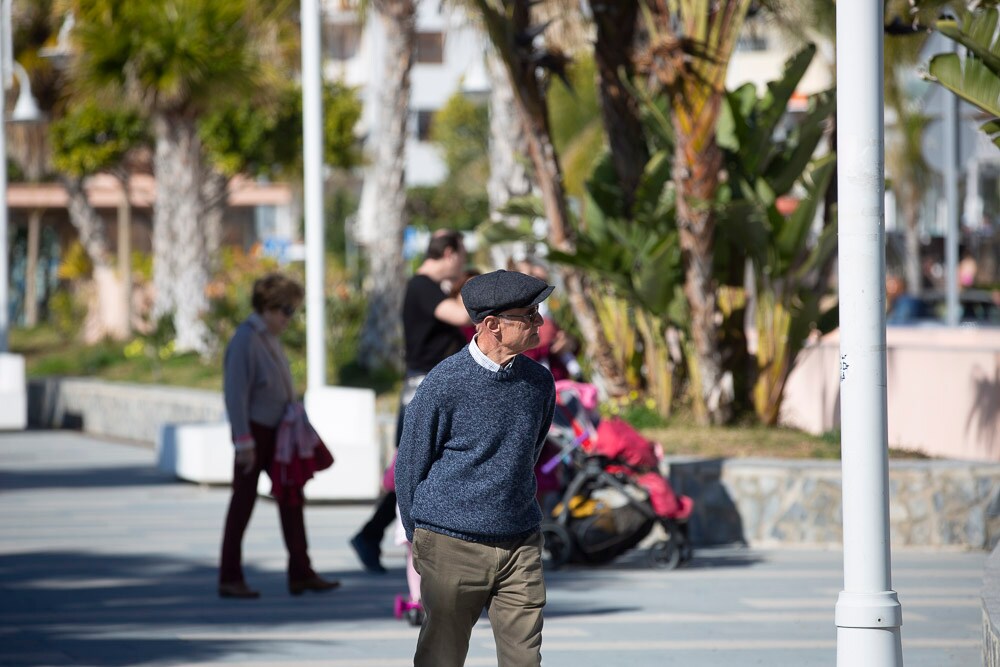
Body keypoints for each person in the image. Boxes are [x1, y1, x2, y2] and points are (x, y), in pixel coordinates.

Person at [395, 269, 557, 667]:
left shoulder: (539, 383)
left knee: (525, 659)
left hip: (520, 543)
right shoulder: (442, 383)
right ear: (492, 326)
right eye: (529, 313)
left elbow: (528, 453)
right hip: (451, 544)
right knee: (442, 657)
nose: (540, 321)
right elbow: (410, 466)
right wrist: (423, 540)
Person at [350, 230, 471, 573]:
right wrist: (486, 292)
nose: (462, 263)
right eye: (461, 255)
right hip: (422, 391)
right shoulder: (422, 287)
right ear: (449, 253)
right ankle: (374, 535)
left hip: (428, 389)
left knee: (416, 471)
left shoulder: (431, 288)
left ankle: (372, 535)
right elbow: (461, 316)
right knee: (411, 470)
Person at [218, 273, 339, 598]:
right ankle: (229, 576)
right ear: (269, 307)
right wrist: (243, 441)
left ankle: (301, 571)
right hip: (256, 433)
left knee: (291, 497)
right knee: (242, 503)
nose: (289, 317)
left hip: (278, 432)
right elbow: (235, 394)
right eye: (285, 310)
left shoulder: (266, 336)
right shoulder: (246, 339)